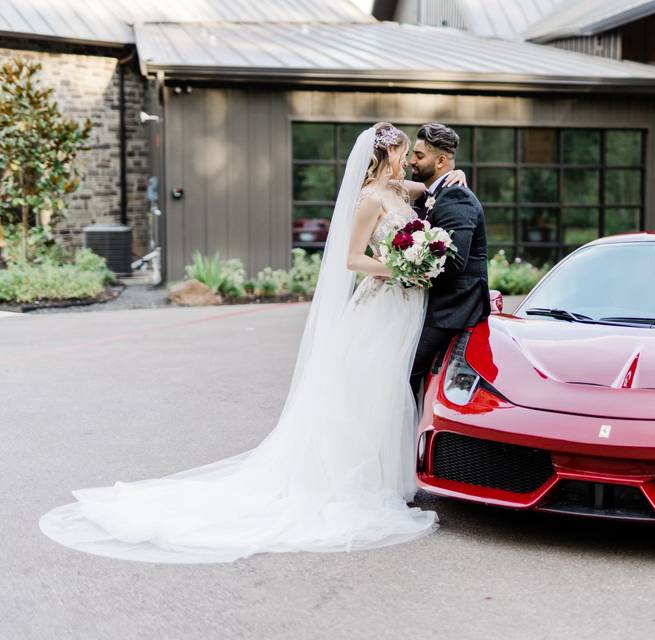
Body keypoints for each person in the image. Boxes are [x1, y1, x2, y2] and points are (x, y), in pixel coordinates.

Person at [38, 123, 468, 563]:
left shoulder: (400, 189)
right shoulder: (369, 200)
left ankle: (385, 478)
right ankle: (358, 481)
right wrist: (399, 267)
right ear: (386, 156)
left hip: (405, 307)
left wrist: (458, 175)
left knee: (390, 388)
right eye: (402, 153)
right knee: (368, 389)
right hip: (381, 303)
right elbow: (352, 259)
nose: (407, 160)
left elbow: (435, 184)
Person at [408, 123, 491, 396]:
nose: (411, 161)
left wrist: (404, 275)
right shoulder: (433, 193)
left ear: (441, 161)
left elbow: (453, 264)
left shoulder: (456, 197)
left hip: (452, 308)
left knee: (406, 370)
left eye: (419, 155)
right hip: (433, 303)